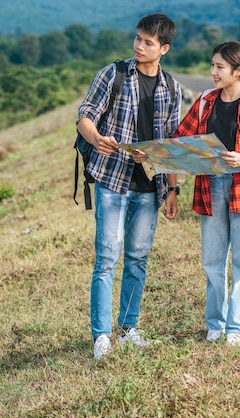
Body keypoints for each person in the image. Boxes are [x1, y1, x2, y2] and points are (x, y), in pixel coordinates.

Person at [76, 13, 182, 360]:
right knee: (107, 257)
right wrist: (97, 137)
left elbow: (169, 146)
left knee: (138, 259)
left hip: (149, 186)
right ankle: (101, 337)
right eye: (137, 38)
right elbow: (85, 115)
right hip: (111, 179)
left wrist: (172, 190)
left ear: (163, 48)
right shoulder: (114, 73)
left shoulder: (172, 88)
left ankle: (129, 328)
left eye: (148, 42)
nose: (139, 46)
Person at [174, 41, 240, 346]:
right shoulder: (205, 101)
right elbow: (182, 137)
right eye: (212, 65)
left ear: (238, 70)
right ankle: (215, 323)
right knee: (213, 260)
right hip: (212, 183)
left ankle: (239, 327)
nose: (213, 72)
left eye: (219, 66)